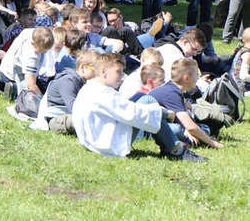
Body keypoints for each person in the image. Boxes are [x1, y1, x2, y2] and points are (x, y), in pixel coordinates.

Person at [72, 53, 205, 161]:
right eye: (118, 72)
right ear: (103, 72)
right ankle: (174, 149)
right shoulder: (101, 93)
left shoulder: (91, 88)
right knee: (147, 103)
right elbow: (131, 112)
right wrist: (164, 113)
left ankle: (171, 144)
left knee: (147, 101)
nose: (122, 77)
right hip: (106, 145)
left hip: (97, 139)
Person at [149, 58, 222, 150]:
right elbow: (191, 126)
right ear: (186, 78)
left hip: (159, 125)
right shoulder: (172, 94)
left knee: (203, 128)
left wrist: (187, 129)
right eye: (196, 75)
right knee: (203, 130)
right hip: (148, 131)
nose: (198, 78)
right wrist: (213, 144)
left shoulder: (173, 89)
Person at [31, 49, 99, 133]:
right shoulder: (68, 81)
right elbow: (74, 108)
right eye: (94, 70)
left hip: (65, 115)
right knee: (80, 121)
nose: (97, 74)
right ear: (82, 67)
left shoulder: (83, 82)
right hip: (52, 119)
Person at [0, 27, 55, 99]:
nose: (45, 52)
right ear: (33, 44)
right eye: (42, 51)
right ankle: (14, 90)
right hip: (13, 76)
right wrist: (42, 99)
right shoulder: (32, 57)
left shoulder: (29, 31)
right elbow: (30, 84)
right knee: (37, 92)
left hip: (4, 69)